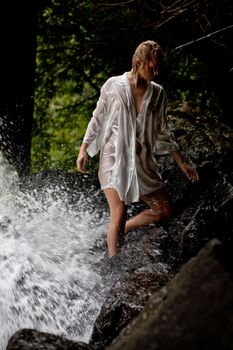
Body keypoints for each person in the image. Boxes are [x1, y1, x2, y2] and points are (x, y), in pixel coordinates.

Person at [76, 40, 199, 257]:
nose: (157, 72)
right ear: (139, 62)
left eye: (159, 67)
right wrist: (83, 149)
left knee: (164, 211)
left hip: (141, 160)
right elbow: (97, 117)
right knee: (119, 210)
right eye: (152, 67)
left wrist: (182, 163)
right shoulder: (113, 85)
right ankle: (113, 264)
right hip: (113, 156)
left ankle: (121, 230)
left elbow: (163, 131)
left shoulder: (158, 93)